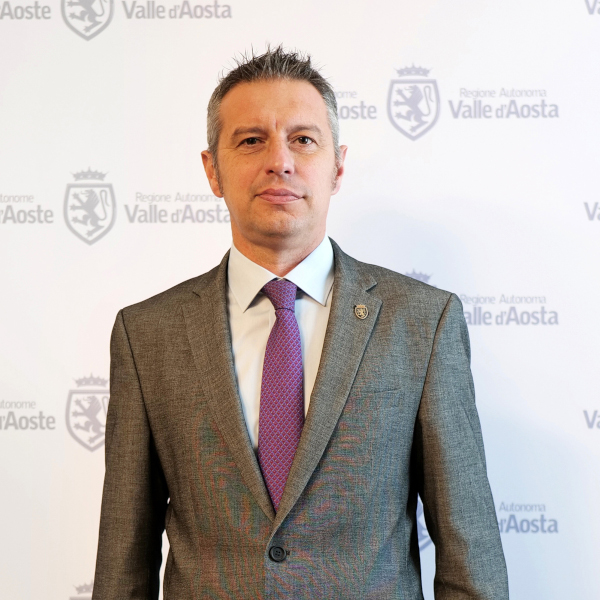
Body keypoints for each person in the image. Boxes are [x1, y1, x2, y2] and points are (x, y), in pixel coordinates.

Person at [92, 47, 509, 600]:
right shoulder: (147, 336)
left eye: (303, 139)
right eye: (251, 140)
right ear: (212, 170)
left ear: (338, 166)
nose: (280, 161)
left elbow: (470, 554)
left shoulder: (422, 323)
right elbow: (123, 563)